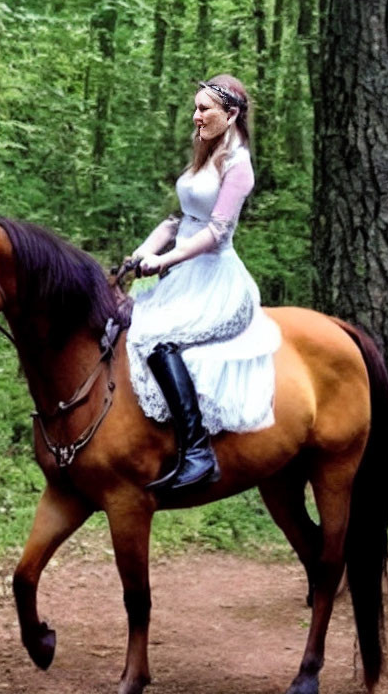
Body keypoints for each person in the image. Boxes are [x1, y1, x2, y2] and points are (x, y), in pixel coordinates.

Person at [126, 75, 280, 492]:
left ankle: (197, 452)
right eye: (195, 108)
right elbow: (178, 220)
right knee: (125, 321)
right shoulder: (203, 153)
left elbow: (214, 233)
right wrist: (143, 252)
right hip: (182, 270)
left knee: (160, 342)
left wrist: (163, 261)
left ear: (230, 115)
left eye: (204, 110)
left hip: (216, 277)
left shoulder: (238, 165)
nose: (196, 117)